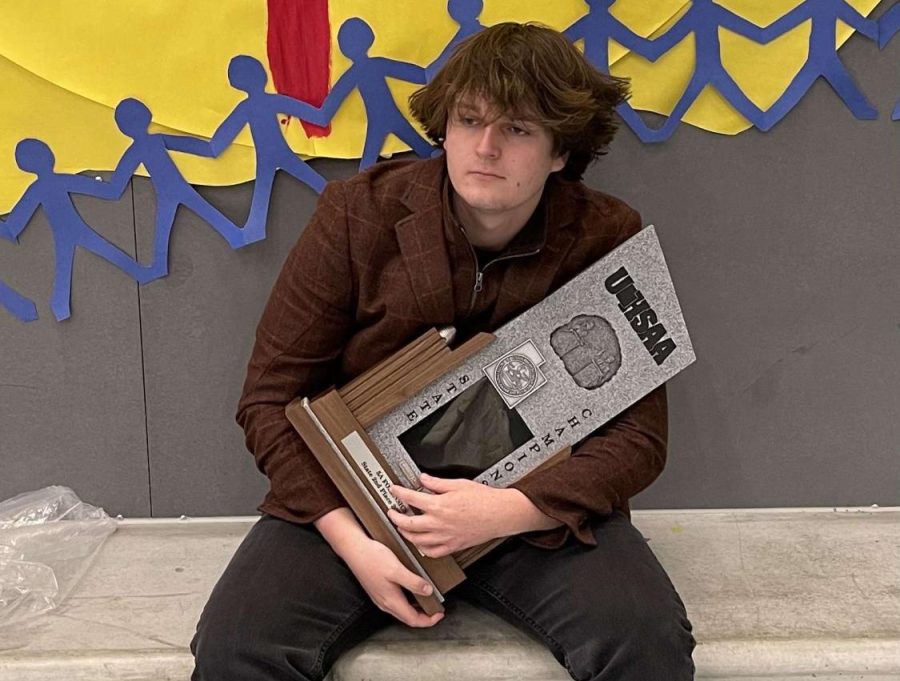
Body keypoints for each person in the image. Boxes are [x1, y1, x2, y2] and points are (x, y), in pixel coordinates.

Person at [191, 22, 695, 681]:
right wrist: (355, 542)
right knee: (236, 646)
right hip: (358, 504)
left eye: (517, 128)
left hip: (531, 516)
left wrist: (502, 511)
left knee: (646, 639)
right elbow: (269, 398)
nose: (486, 146)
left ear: (559, 151)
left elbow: (638, 440)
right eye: (469, 119)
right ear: (445, 129)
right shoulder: (355, 214)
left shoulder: (606, 234)